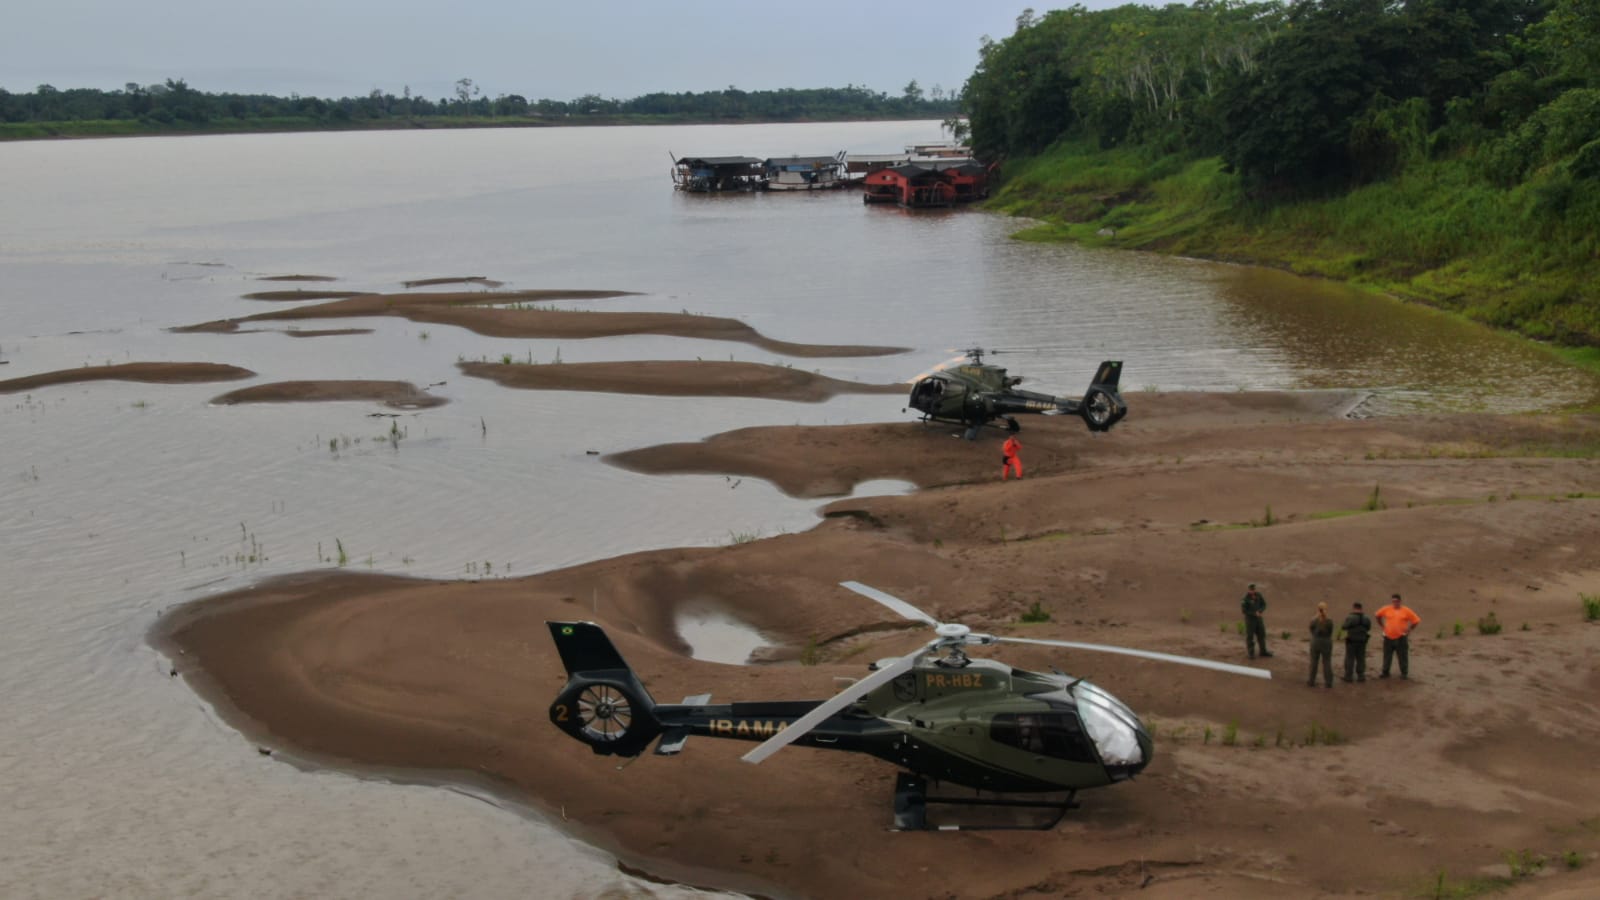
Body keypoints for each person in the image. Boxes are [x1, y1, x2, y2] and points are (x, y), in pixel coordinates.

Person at [1374, 592, 1421, 679]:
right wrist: (1382, 625)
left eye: (1396, 601)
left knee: (1403, 656)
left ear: (1400, 601)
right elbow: (1377, 615)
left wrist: (1410, 629)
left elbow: (1416, 620)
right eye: (1393, 601)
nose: (1395, 603)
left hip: (1401, 637)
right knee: (1387, 655)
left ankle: (1404, 673)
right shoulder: (1387, 609)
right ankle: (1385, 672)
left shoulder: (1406, 610)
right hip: (1388, 636)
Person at [1341, 601, 1372, 682]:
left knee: (1350, 658)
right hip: (1362, 641)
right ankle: (1361, 676)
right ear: (1361, 608)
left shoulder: (1350, 617)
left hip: (1352, 641)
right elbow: (1368, 628)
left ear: (1354, 608)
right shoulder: (1366, 618)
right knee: (1361, 658)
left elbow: (1344, 627)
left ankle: (1348, 676)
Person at [1241, 583, 1272, 659]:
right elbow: (1244, 611)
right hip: (1250, 621)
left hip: (1259, 619)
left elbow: (1264, 604)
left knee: (1262, 634)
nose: (1253, 591)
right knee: (1250, 637)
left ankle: (1263, 651)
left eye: (1254, 589)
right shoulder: (1245, 599)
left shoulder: (1258, 595)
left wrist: (1260, 611)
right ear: (1248, 590)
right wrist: (1254, 614)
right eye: (1251, 590)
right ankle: (1251, 653)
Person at [1308, 602, 1335, 688]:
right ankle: (1328, 682)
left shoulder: (1314, 620)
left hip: (1316, 641)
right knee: (1327, 662)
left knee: (1314, 662)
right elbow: (1331, 631)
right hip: (1326, 641)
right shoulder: (1329, 620)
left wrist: (1315, 635)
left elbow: (1311, 629)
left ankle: (1311, 680)